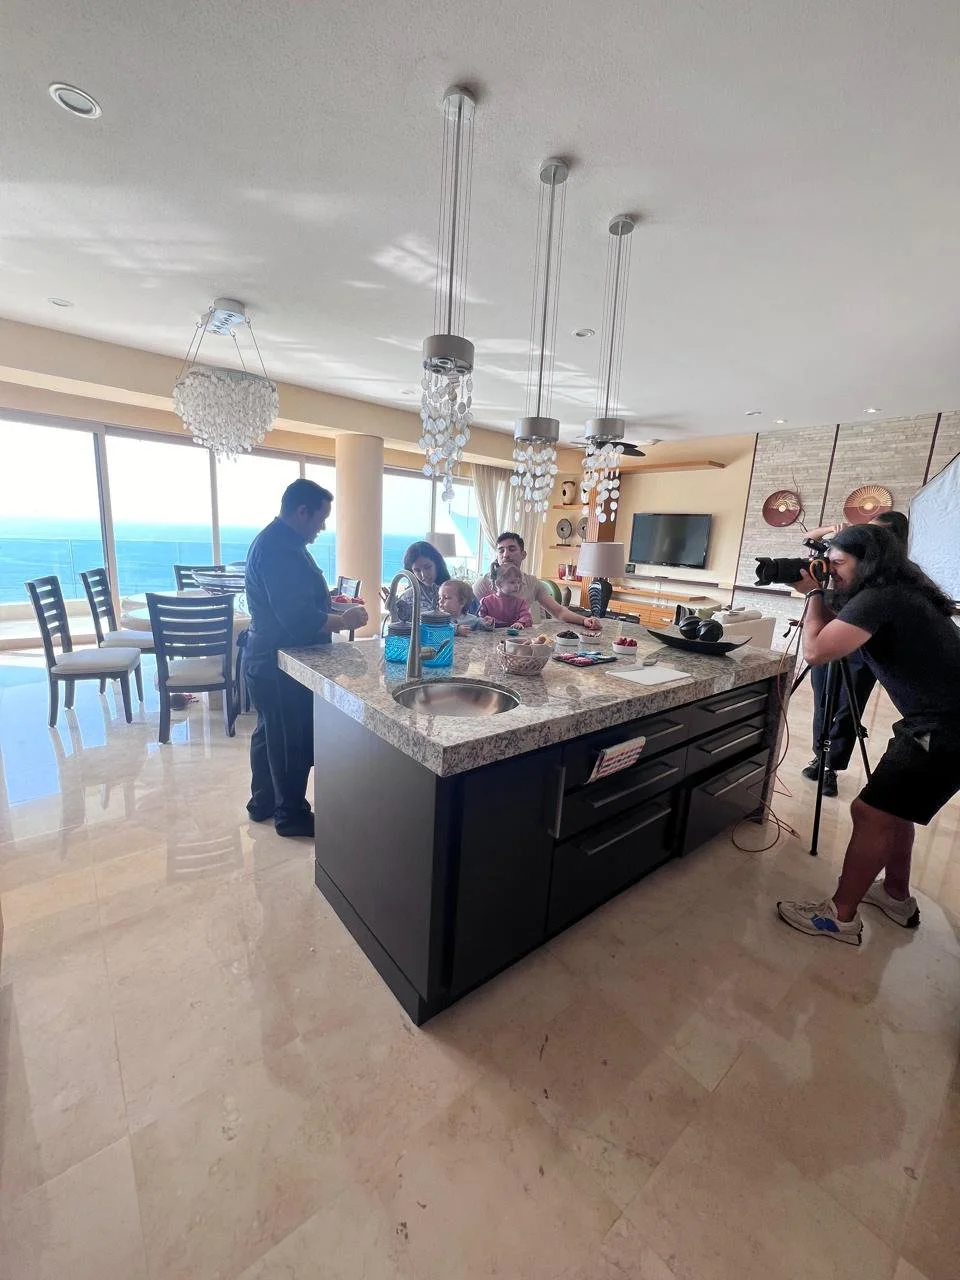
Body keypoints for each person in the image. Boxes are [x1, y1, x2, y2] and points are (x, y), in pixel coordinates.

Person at [777, 523, 960, 945]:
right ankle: (895, 895)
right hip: (940, 721)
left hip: (944, 727)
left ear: (867, 562)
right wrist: (821, 591)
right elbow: (837, 629)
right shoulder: (898, 591)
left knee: (871, 812)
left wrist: (813, 593)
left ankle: (839, 918)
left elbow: (817, 650)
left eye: (838, 563)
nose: (831, 571)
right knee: (896, 809)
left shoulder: (882, 598)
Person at [244, 479, 368, 837]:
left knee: (270, 733)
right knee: (290, 740)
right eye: (321, 518)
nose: (322, 526)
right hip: (278, 661)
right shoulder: (281, 550)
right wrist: (343, 620)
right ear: (302, 512)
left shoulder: (277, 541)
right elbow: (296, 618)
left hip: (264, 657)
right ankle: (291, 816)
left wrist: (327, 601)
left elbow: (294, 598)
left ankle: (263, 802)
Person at [802, 511, 910, 796]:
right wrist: (836, 532)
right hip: (829, 635)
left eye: (878, 533)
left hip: (861, 648)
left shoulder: (889, 581)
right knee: (823, 701)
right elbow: (808, 539)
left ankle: (832, 768)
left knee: (848, 706)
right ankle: (819, 756)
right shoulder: (846, 552)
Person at [473, 532, 602, 632]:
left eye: (512, 549)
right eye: (501, 550)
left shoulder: (532, 583)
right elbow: (469, 617)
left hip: (520, 643)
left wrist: (584, 620)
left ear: (523, 554)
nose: (506, 555)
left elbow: (559, 611)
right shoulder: (483, 583)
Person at [392, 540, 450, 622]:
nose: (423, 575)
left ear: (437, 564)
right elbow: (400, 625)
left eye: (428, 567)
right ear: (411, 572)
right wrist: (393, 611)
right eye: (417, 570)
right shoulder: (408, 597)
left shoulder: (453, 589)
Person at [478, 564, 534, 628]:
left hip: (514, 633)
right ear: (499, 584)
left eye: (518, 582)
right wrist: (486, 620)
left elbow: (526, 617)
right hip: (491, 633)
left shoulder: (521, 603)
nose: (517, 586)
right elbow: (479, 619)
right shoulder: (486, 602)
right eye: (512, 582)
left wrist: (520, 623)